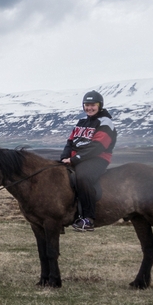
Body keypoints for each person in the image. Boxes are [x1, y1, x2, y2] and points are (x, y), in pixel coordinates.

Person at [60, 90, 117, 232]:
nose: (89, 108)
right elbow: (70, 142)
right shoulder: (81, 122)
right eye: (87, 105)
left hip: (97, 159)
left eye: (93, 105)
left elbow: (96, 147)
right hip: (77, 158)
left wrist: (74, 159)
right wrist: (63, 158)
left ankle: (88, 219)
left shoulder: (105, 122)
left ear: (100, 105)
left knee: (83, 177)